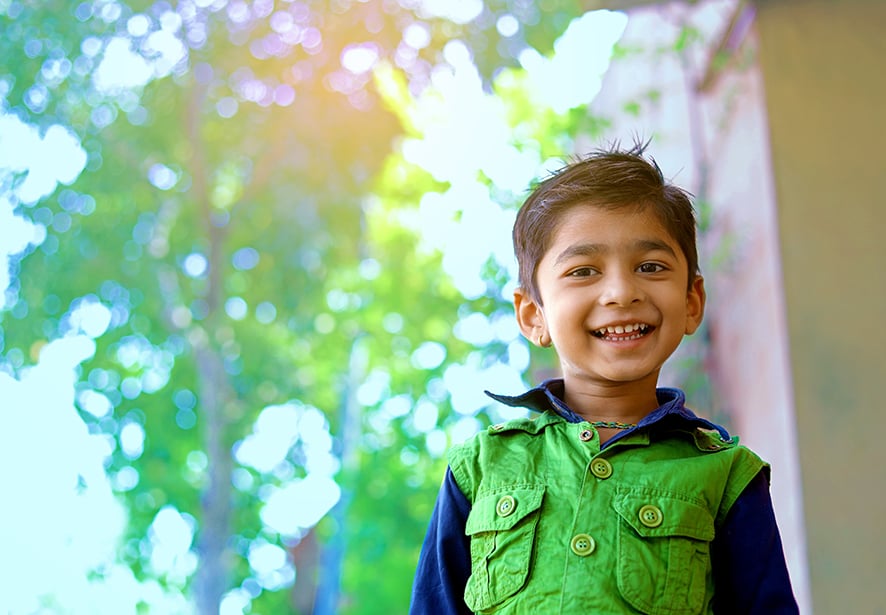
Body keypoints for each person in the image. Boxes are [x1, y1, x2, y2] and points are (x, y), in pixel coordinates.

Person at [409, 142, 798, 614]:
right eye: (583, 270)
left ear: (692, 301)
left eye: (650, 267)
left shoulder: (728, 477)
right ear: (535, 315)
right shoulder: (480, 468)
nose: (620, 292)